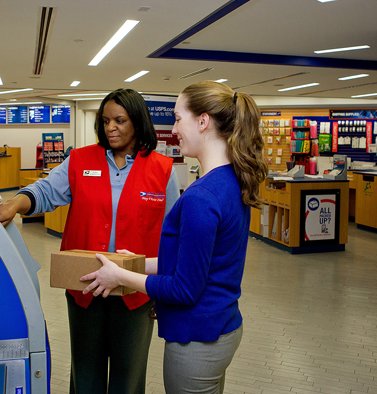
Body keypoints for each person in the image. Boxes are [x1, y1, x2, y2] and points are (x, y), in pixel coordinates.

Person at [80, 81, 268, 394]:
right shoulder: (230, 181)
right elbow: (196, 262)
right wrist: (136, 263)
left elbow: (183, 288)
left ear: (203, 121)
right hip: (223, 326)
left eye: (179, 118)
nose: (174, 129)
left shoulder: (201, 198)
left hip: (196, 340)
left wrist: (120, 276)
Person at [0, 88, 180, 394]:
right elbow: (44, 191)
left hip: (135, 291)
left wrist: (163, 289)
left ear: (137, 122)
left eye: (119, 120)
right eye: (105, 121)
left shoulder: (162, 170)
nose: (110, 128)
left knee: (128, 378)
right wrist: (15, 204)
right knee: (85, 374)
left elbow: (173, 236)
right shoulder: (80, 160)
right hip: (85, 287)